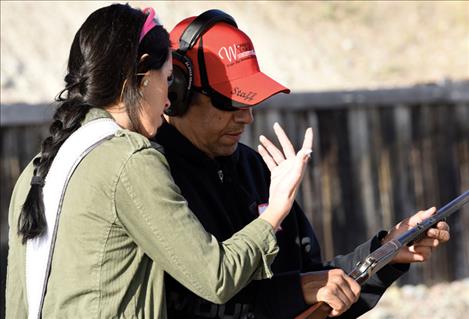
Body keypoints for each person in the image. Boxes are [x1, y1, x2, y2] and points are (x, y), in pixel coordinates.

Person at [5, 4, 314, 318]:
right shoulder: (131, 160)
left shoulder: (39, 167)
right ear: (142, 75)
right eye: (168, 80)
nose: (169, 101)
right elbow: (216, 278)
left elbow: (19, 303)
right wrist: (275, 211)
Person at [153, 10, 451, 319]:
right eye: (231, 101)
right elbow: (183, 301)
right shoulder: (151, 176)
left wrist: (385, 254)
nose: (246, 116)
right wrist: (295, 291)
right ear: (177, 92)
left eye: (251, 101)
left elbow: (319, 289)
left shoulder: (257, 170)